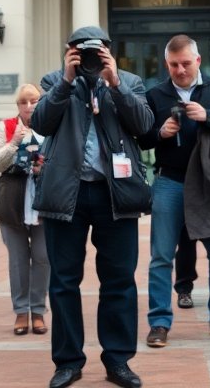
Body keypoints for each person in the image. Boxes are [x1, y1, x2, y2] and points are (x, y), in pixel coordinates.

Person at [31, 26, 152, 388]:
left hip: (115, 194)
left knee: (119, 280)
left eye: (97, 51)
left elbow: (144, 125)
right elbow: (40, 123)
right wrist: (66, 82)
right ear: (69, 50)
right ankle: (68, 362)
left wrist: (116, 84)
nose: (89, 58)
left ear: (109, 52)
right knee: (64, 282)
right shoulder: (54, 81)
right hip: (67, 194)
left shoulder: (129, 81)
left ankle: (118, 360)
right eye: (81, 51)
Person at [140, 35, 210, 346]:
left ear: (198, 61)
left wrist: (208, 116)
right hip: (169, 180)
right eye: (174, 65)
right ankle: (159, 322)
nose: (180, 70)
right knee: (161, 257)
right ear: (167, 64)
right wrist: (161, 132)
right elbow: (142, 137)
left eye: (186, 63)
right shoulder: (155, 94)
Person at [0, 83, 49, 337]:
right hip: (13, 201)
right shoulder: (7, 126)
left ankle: (38, 310)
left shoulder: (51, 125)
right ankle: (21, 311)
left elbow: (64, 161)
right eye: (23, 102)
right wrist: (14, 142)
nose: (29, 106)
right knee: (18, 260)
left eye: (33, 101)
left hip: (44, 203)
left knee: (43, 257)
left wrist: (44, 167)